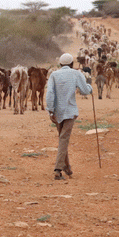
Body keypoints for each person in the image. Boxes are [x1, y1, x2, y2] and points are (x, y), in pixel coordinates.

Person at [46, 53, 92, 181]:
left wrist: (50, 111)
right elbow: (85, 91)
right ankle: (58, 170)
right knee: (64, 139)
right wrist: (90, 87)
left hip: (57, 112)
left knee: (62, 139)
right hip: (70, 111)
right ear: (72, 64)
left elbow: (49, 93)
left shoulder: (54, 75)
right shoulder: (76, 74)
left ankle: (67, 167)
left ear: (60, 64)